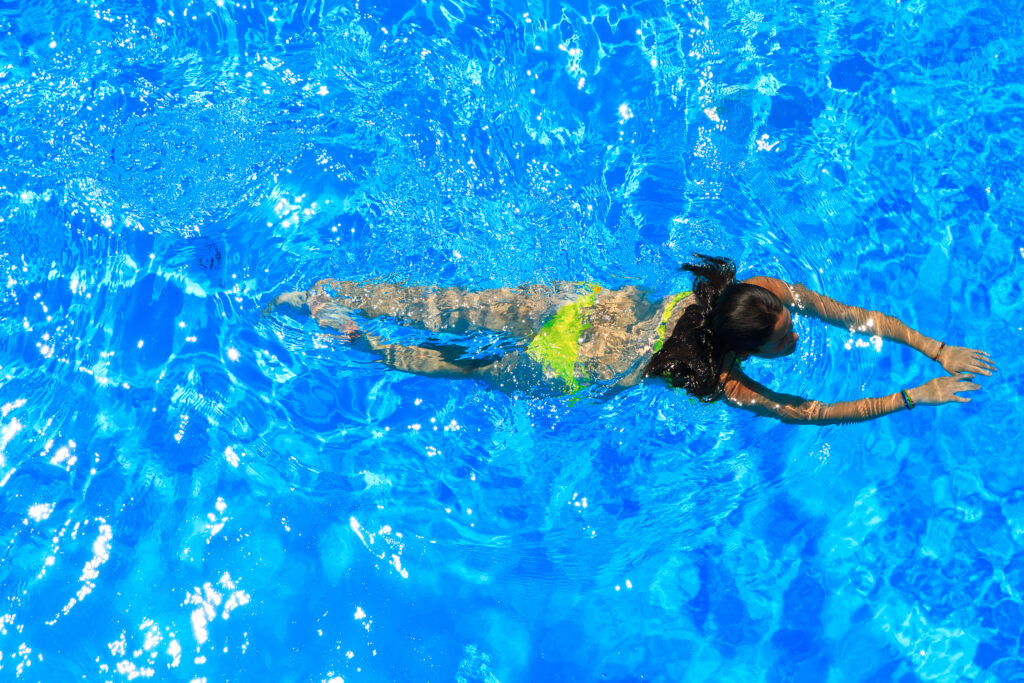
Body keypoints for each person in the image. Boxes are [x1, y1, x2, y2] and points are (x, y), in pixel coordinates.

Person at [265, 255, 995, 424]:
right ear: (746, 344)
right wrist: (914, 392)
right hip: (576, 356)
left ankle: (326, 292)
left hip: (581, 307)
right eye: (781, 340)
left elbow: (855, 314)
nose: (793, 334)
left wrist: (935, 346)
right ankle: (354, 335)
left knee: (451, 308)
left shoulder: (744, 292)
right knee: (465, 367)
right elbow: (805, 412)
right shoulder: (718, 375)